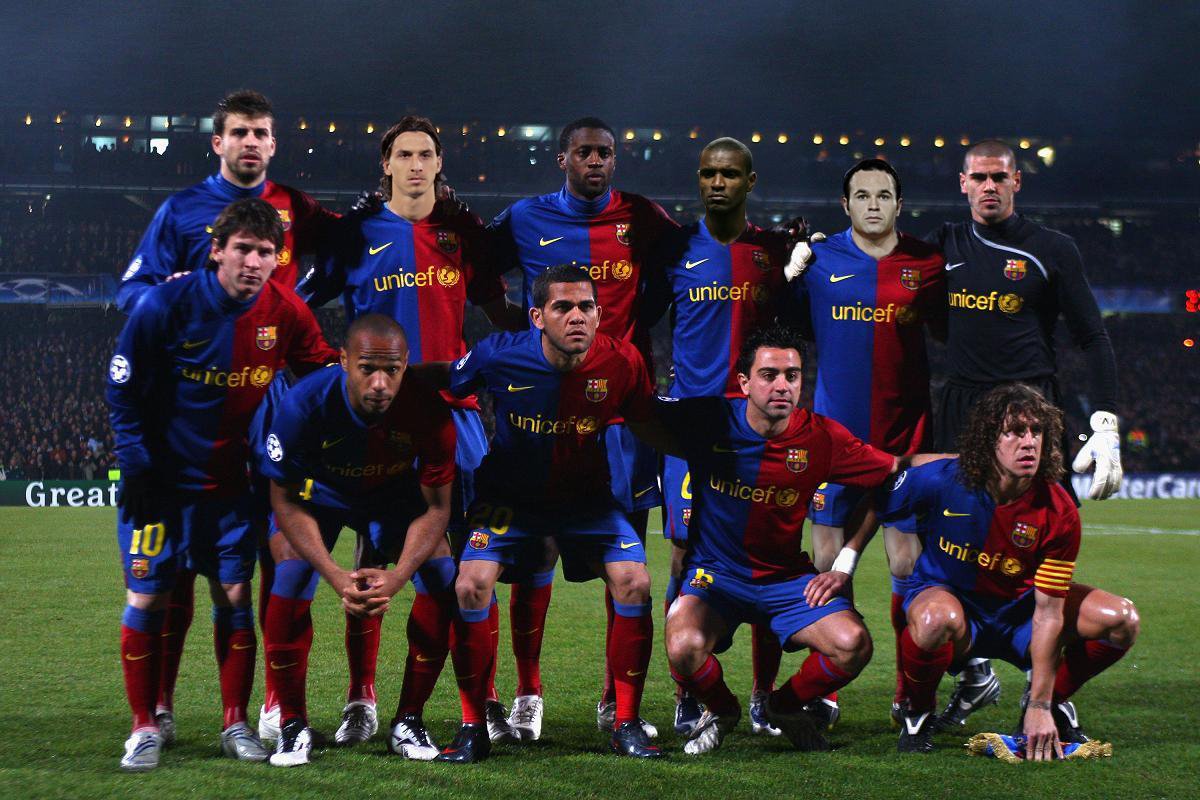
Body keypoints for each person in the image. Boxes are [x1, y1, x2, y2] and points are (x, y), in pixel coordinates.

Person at [263, 116, 525, 746]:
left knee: (470, 561)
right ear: (386, 164)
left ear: (439, 163)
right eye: (403, 154)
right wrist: (321, 370)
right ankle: (362, 698)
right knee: (370, 554)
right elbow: (298, 305)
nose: (415, 165)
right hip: (374, 418)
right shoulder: (355, 235)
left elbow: (502, 313)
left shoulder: (462, 235)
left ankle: (483, 697)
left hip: (453, 414)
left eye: (425, 154)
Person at [106, 198, 338, 771]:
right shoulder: (166, 304)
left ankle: (235, 722)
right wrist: (135, 463)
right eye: (243, 250)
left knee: (233, 598)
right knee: (148, 597)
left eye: (266, 252)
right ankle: (144, 727)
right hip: (159, 486)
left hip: (231, 489)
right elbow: (123, 386)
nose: (254, 262)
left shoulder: (286, 311)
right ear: (217, 251)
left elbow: (322, 374)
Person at [819, 384, 1139, 756]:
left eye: (1036, 431)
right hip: (956, 610)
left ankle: (1048, 704)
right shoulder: (944, 479)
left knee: (1122, 619)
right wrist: (845, 563)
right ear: (989, 440)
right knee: (933, 619)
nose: (1029, 442)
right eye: (1015, 432)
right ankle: (918, 713)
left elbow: (1049, 612)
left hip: (1020, 616)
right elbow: (881, 500)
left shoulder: (1058, 509)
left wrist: (1039, 703)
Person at [487, 117, 676, 739]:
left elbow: (685, 264)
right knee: (535, 549)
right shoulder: (525, 217)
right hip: (543, 406)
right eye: (585, 152)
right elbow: (476, 264)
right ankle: (528, 693)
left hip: (619, 411)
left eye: (606, 153)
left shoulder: (642, 216)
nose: (597, 161)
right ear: (562, 159)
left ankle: (613, 698)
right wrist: (513, 327)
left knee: (625, 556)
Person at [924, 139, 1122, 730]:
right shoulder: (942, 244)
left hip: (1033, 410)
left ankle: (1047, 692)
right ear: (962, 183)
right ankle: (973, 671)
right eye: (979, 177)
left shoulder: (1052, 249)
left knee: (1044, 544)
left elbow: (1093, 336)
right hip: (962, 409)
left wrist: (1106, 421)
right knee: (952, 544)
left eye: (999, 177)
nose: (989, 186)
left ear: (1017, 183)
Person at [657, 324, 925, 755]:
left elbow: (894, 474)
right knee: (683, 645)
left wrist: (846, 561)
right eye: (769, 375)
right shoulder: (711, 420)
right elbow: (642, 416)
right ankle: (723, 710)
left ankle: (782, 706)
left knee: (853, 645)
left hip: (784, 581)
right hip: (717, 575)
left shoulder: (821, 436)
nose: (782, 385)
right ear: (744, 382)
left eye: (792, 375)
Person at [434, 264, 661, 762]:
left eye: (585, 307)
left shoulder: (623, 361)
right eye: (562, 307)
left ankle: (625, 722)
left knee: (635, 581)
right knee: (469, 585)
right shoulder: (499, 354)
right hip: (509, 500)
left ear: (599, 314)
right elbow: (445, 386)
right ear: (537, 316)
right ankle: (473, 726)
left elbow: (649, 421)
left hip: (587, 502)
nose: (576, 316)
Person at [256, 314, 457, 767]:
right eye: (368, 368)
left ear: (406, 364)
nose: (381, 384)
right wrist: (333, 573)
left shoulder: (428, 408)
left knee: (442, 572)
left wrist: (398, 576)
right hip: (319, 498)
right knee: (288, 572)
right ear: (344, 361)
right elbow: (283, 500)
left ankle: (409, 719)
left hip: (392, 498)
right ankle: (292, 723)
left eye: (392, 370)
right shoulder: (304, 403)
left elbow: (436, 508)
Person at [789, 159, 945, 727]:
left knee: (906, 560)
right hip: (833, 439)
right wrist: (789, 271)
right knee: (826, 562)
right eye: (862, 195)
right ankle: (828, 690)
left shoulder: (928, 264)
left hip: (905, 439)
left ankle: (909, 693)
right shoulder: (820, 260)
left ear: (899, 204)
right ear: (845, 204)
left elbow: (951, 332)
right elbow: (784, 320)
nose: (873, 204)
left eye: (883, 195)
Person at [643, 137, 789, 736]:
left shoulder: (773, 252)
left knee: (769, 557)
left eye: (728, 174)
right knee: (683, 554)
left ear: (750, 181)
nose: (717, 183)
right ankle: (688, 691)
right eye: (707, 174)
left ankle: (763, 696)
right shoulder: (676, 249)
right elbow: (637, 319)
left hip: (758, 432)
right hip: (692, 432)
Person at [117, 89, 337, 312]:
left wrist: (303, 297)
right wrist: (167, 296)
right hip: (202, 334)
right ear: (217, 144)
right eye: (239, 132)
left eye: (260, 133)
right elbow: (130, 292)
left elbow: (349, 236)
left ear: (272, 146)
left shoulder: (296, 205)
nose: (251, 142)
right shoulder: (181, 208)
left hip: (273, 335)